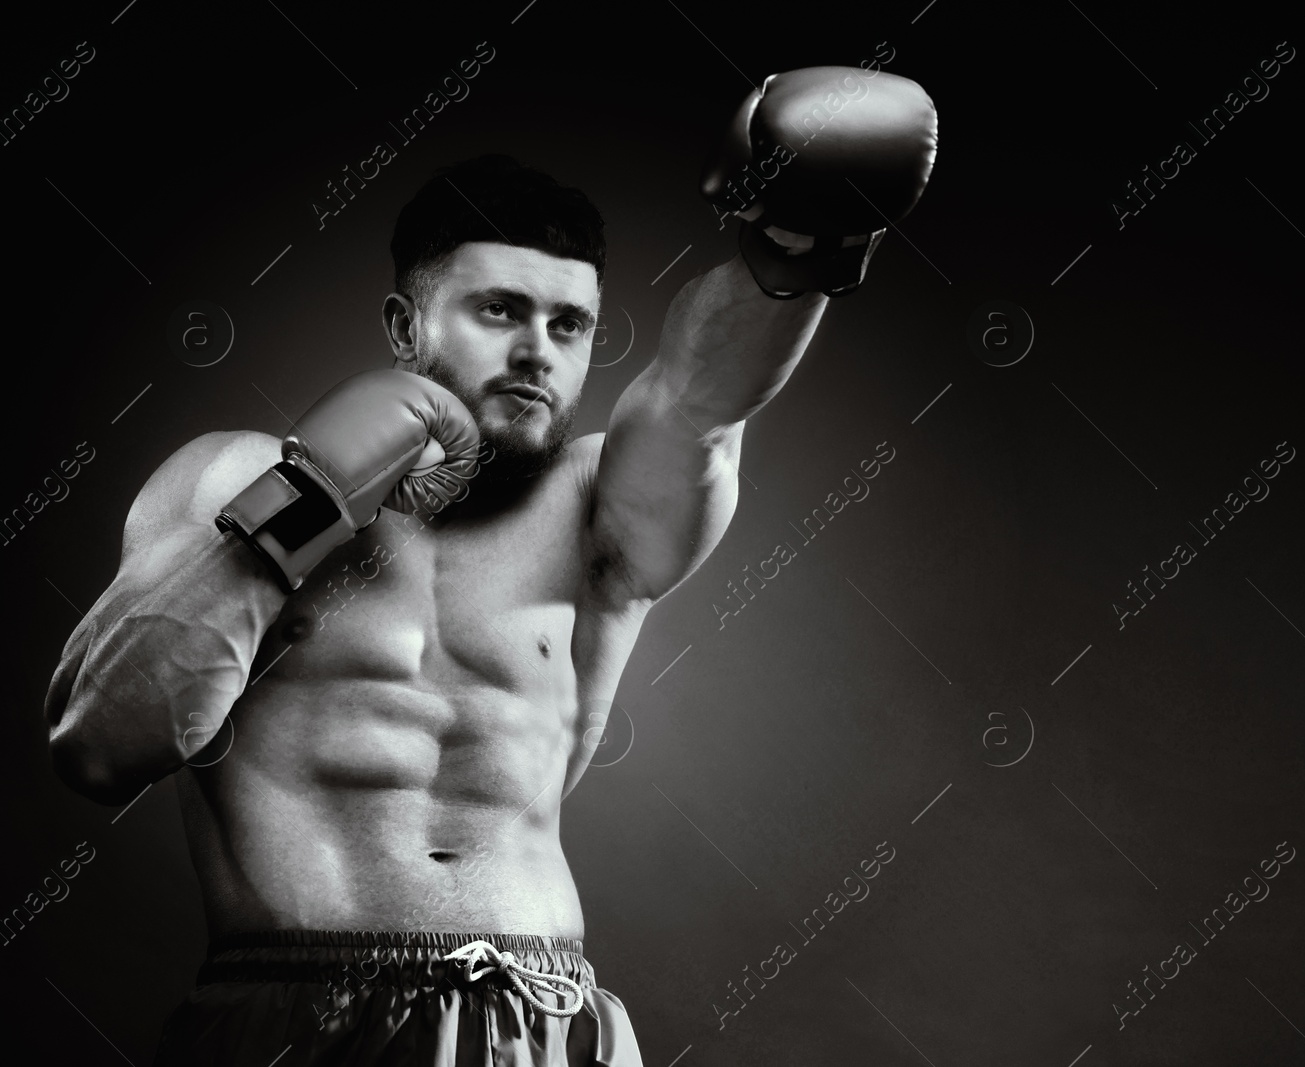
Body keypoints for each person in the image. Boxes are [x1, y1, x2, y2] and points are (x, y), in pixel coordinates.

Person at [43, 66, 935, 1066]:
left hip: (548, 1020)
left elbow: (701, 396)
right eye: (500, 310)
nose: (538, 351)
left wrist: (803, 244)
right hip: (294, 1016)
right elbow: (100, 739)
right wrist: (306, 504)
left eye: (570, 325)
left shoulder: (597, 506)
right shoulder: (242, 474)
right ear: (403, 327)